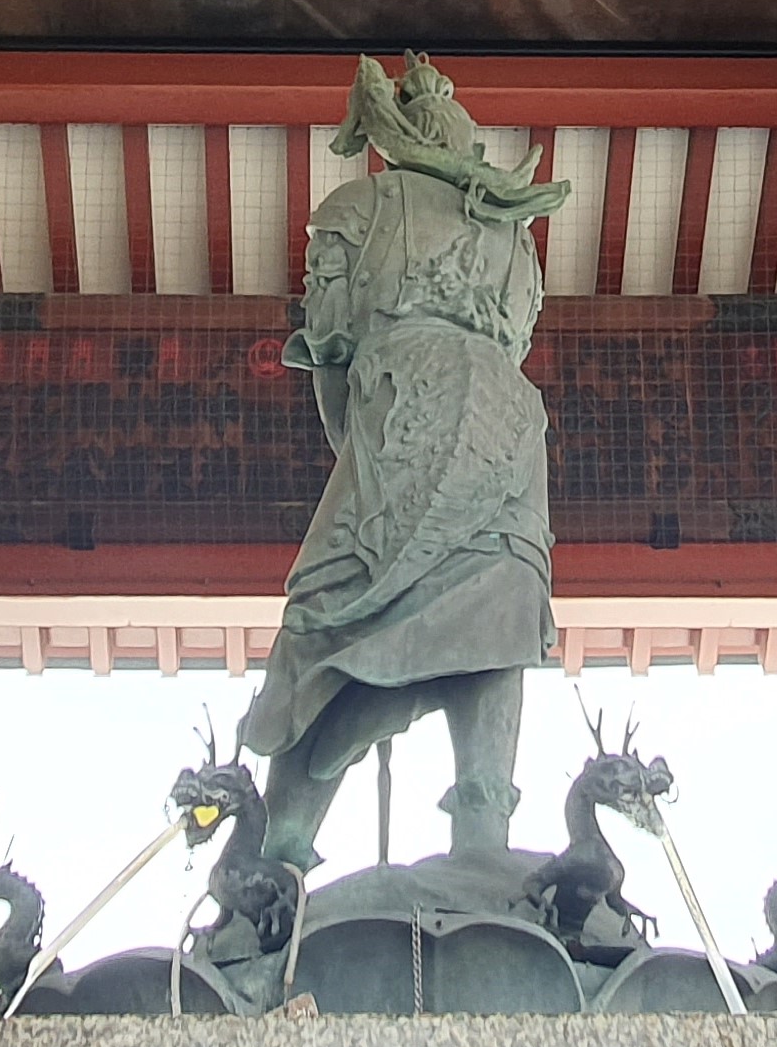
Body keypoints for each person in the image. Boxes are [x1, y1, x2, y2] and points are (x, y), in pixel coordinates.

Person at [236, 55, 569, 869]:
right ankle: (483, 829)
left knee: (334, 606)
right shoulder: (516, 238)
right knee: (499, 599)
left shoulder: (356, 209)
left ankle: (283, 849)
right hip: (507, 420)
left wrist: (356, 449)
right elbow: (514, 340)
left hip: (400, 402)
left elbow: (330, 347)